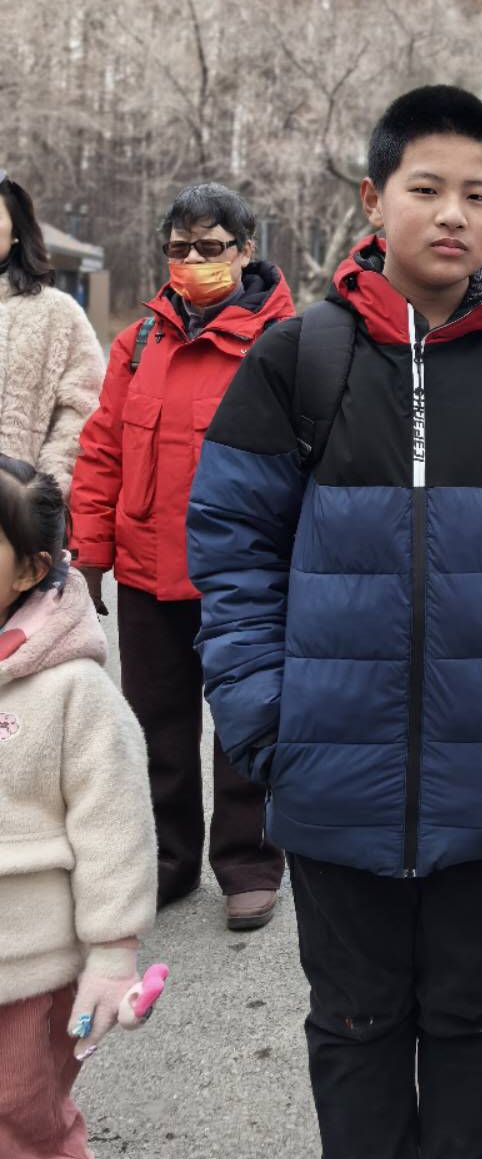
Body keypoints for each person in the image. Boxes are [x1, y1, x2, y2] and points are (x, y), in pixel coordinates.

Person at [186, 84, 482, 1159]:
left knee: (474, 1023)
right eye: (427, 188)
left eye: (476, 194)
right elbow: (232, 547)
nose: (453, 213)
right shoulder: (301, 357)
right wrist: (262, 715)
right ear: (373, 198)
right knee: (352, 1028)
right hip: (329, 774)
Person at [71, 183, 293, 933]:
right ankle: (167, 861)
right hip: (145, 568)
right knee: (155, 727)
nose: (193, 261)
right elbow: (102, 451)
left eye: (210, 246)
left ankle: (249, 863)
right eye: (179, 248)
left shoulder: (286, 344)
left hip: (246, 575)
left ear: (246, 250)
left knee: (246, 721)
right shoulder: (138, 344)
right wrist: (88, 556)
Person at [0, 456, 157, 1159]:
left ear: (32, 569)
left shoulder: (71, 688)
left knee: (21, 1145)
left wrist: (112, 952)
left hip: (26, 970)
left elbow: (114, 825)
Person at [0, 171, 104, 496]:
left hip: (16, 516)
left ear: (16, 231)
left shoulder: (58, 313)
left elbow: (82, 412)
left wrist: (43, 494)